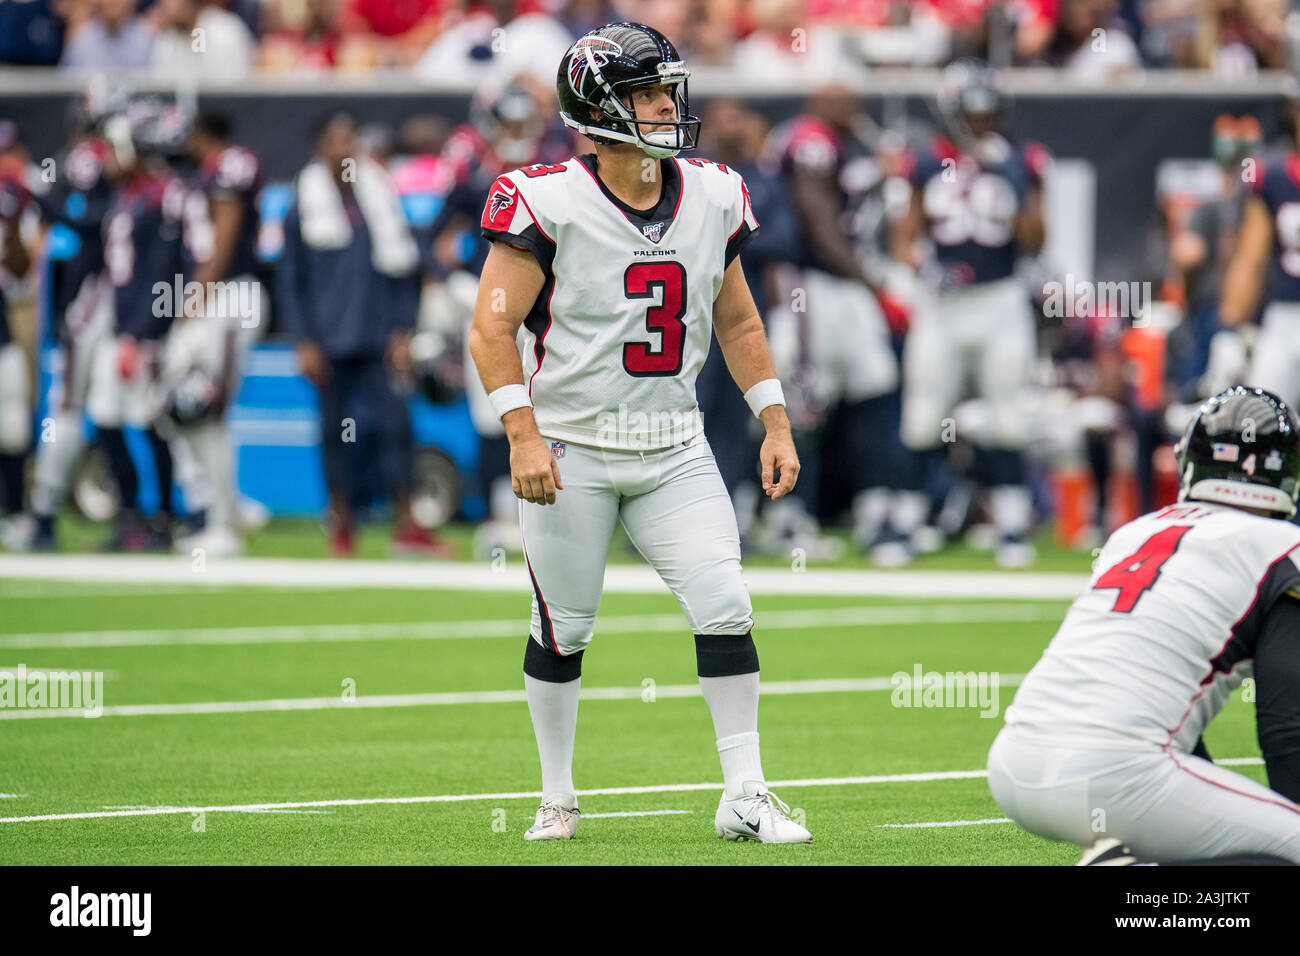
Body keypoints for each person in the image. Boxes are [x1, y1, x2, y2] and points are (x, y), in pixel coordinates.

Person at [468, 22, 811, 844]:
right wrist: (522, 434)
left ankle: (746, 792)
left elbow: (738, 322)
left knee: (726, 601)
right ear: (600, 107)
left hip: (671, 444)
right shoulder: (545, 198)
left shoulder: (715, 191)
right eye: (649, 94)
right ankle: (558, 795)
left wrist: (774, 419)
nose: (668, 106)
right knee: (565, 627)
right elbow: (489, 328)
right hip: (572, 448)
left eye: (667, 90)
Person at [989, 386, 1300, 865]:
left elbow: (1147, 680)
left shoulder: (1136, 532)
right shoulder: (1282, 548)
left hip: (1015, 762)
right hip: (1120, 776)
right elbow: (1287, 726)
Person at [894, 58, 1049, 567]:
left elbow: (1035, 240)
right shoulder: (924, 161)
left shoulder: (1020, 159)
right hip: (942, 305)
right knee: (923, 415)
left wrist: (1017, 185)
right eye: (973, 113)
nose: (981, 123)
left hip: (1000, 299)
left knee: (1007, 414)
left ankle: (1010, 528)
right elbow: (905, 237)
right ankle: (909, 524)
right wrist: (923, 267)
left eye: (988, 112)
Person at [277, 110, 450, 557]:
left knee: (397, 427)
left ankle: (406, 524)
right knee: (335, 434)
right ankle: (341, 524)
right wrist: (305, 340)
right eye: (334, 141)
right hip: (329, 340)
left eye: (349, 139)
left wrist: (401, 330)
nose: (344, 149)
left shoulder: (378, 197)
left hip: (378, 336)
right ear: (319, 148)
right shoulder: (304, 205)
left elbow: (402, 271)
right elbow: (290, 281)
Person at [161, 109, 265, 557]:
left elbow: (226, 227)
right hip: (211, 298)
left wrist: (198, 294)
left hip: (229, 297)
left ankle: (224, 523)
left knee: (205, 407)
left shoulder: (229, 164)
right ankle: (219, 506)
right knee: (175, 406)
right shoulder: (199, 174)